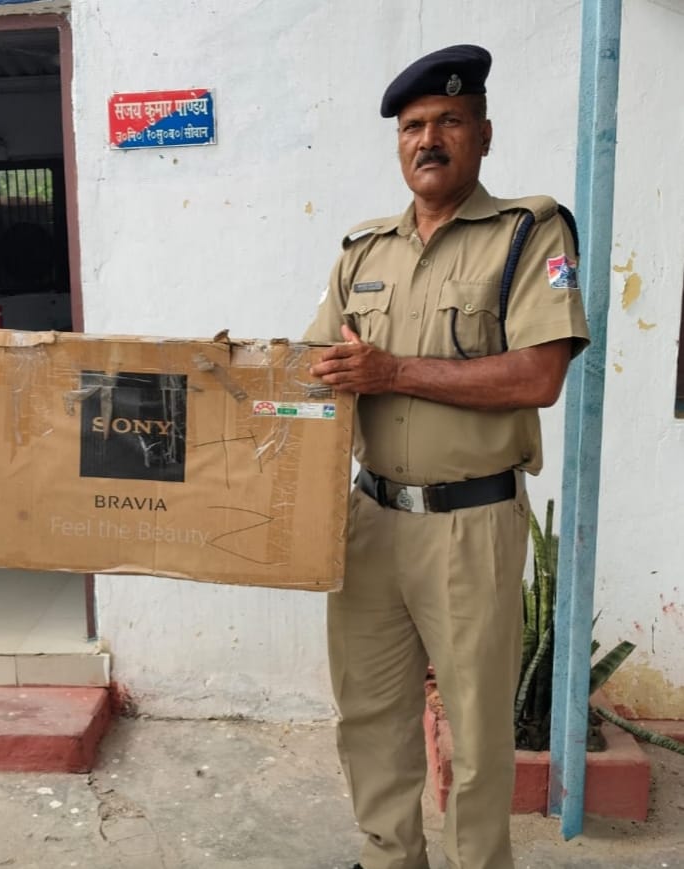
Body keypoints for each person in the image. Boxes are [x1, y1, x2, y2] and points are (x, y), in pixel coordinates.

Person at [304, 45, 589, 869]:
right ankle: (387, 856)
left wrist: (392, 371)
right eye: (412, 126)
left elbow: (537, 376)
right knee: (368, 713)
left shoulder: (528, 234)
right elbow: (315, 372)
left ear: (483, 135)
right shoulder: (362, 249)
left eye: (448, 122)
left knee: (475, 729)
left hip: (470, 523)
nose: (427, 140)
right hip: (368, 521)